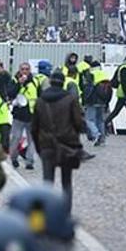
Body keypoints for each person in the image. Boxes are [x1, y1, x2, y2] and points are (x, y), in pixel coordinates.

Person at [31, 70, 85, 213]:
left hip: (46, 145)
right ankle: (65, 214)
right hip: (67, 145)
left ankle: (47, 214)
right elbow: (79, 123)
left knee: (47, 182)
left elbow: (34, 127)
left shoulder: (40, 101)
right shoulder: (70, 100)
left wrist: (38, 147)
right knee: (66, 182)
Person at [6, 62, 38, 170]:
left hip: (32, 115)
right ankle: (14, 157)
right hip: (19, 116)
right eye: (23, 69)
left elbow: (40, 96)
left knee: (32, 140)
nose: (25, 71)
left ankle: (29, 161)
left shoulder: (35, 81)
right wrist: (19, 84)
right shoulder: (14, 80)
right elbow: (10, 93)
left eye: (27, 69)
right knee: (15, 138)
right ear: (19, 70)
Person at [104, 53, 126, 131]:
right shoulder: (125, 68)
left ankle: (105, 123)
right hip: (123, 93)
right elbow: (124, 82)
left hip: (123, 93)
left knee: (118, 111)